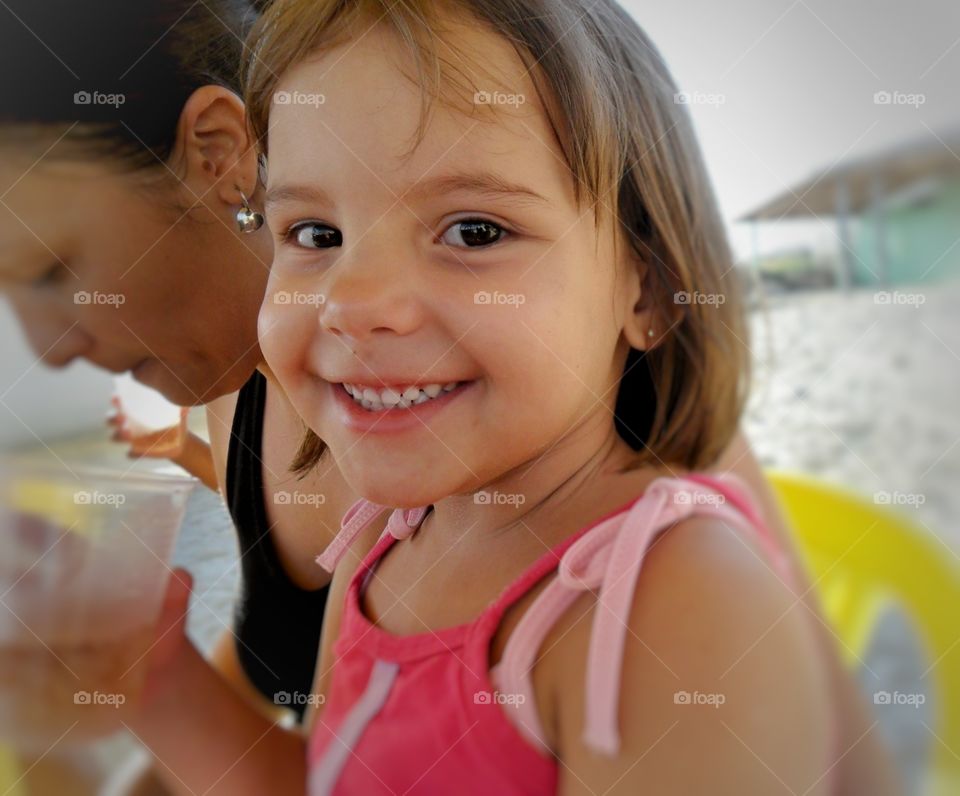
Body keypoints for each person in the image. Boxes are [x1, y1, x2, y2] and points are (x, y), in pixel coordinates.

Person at [121, 1, 905, 793]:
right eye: (316, 235)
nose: (352, 302)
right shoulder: (378, 544)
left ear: (653, 291)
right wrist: (154, 680)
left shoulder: (669, 604)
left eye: (473, 232)